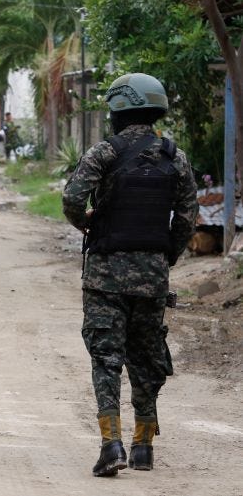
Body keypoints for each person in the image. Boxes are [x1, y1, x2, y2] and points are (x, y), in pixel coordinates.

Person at [62, 73, 198, 477]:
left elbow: (72, 198)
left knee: (107, 358)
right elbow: (187, 218)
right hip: (152, 277)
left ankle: (111, 444)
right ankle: (143, 447)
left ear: (118, 110)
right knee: (146, 358)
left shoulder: (104, 152)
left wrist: (85, 223)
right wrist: (164, 256)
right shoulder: (176, 157)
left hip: (105, 276)